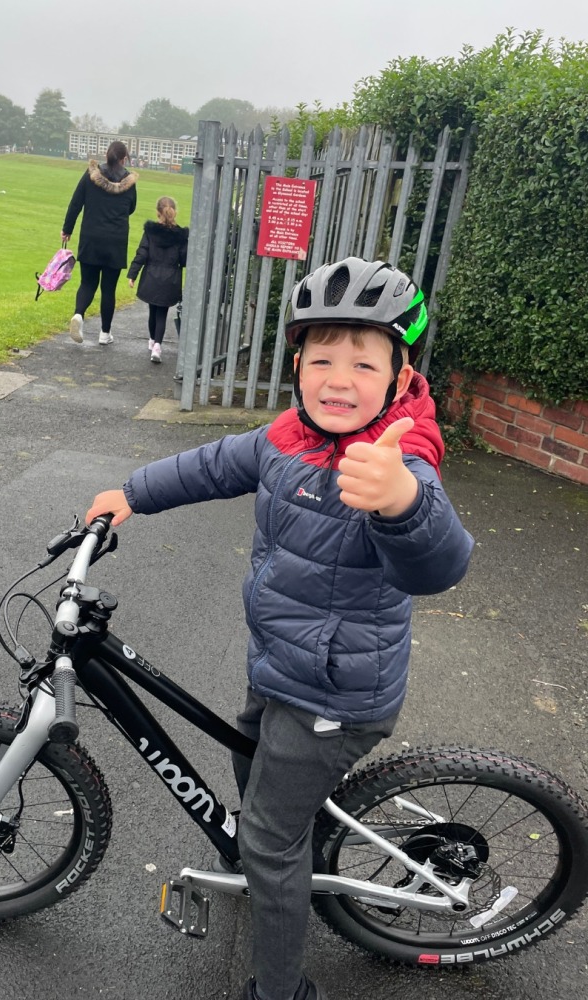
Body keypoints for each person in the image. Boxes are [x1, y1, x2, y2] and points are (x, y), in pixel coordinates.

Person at [86, 257, 474, 1000]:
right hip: (284, 665)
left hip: (336, 695)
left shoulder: (397, 463)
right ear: (297, 365)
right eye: (322, 357)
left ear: (398, 380)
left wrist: (400, 503)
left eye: (364, 362)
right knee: (246, 751)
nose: (338, 377)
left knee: (268, 837)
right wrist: (132, 493)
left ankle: (282, 987)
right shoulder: (287, 438)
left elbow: (439, 565)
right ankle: (270, 851)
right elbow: (212, 465)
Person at [61, 141, 138, 346]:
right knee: (108, 289)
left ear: (106, 156)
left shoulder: (90, 176)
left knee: (87, 283)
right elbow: (131, 207)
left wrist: (67, 229)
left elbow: (76, 202)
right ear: (123, 159)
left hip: (91, 238)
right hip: (116, 240)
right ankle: (105, 333)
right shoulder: (129, 182)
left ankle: (78, 315)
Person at [127, 196, 189, 363]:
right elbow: (184, 260)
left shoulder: (150, 232)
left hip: (151, 276)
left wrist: (132, 274)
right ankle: (157, 346)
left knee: (152, 311)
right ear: (175, 212)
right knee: (162, 312)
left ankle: (153, 340)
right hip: (171, 279)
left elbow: (142, 253)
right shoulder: (182, 236)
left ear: (157, 213)